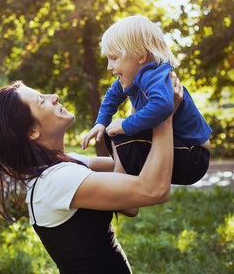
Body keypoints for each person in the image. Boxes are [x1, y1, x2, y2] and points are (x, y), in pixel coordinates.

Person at [0, 74, 182, 274]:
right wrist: (164, 116)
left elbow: (128, 178)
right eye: (42, 101)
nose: (53, 97)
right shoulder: (57, 180)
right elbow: (153, 190)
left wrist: (143, 111)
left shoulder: (62, 166)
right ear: (31, 132)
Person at [82, 15, 212, 185]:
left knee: (124, 130)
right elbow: (111, 97)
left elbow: (163, 105)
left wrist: (126, 124)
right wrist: (101, 123)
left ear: (141, 56)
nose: (109, 67)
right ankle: (121, 180)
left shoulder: (154, 75)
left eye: (114, 58)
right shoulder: (132, 77)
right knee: (113, 131)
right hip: (179, 148)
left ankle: (120, 186)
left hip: (193, 155)